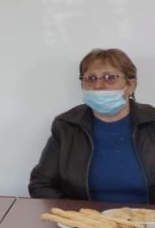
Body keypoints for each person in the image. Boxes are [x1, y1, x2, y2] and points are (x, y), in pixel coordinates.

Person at [29, 47, 155, 203]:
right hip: (85, 217)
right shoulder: (66, 126)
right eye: (91, 78)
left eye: (110, 77)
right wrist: (76, 214)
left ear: (130, 85)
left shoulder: (152, 122)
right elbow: (41, 184)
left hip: (147, 217)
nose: (98, 85)